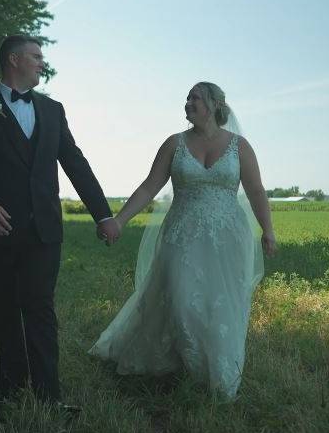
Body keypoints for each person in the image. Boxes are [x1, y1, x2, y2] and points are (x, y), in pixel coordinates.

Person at [0, 35, 120, 407]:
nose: (42, 63)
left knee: (41, 307)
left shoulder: (53, 109)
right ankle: (9, 390)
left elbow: (74, 162)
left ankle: (49, 396)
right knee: (6, 307)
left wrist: (103, 214)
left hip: (44, 229)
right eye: (36, 56)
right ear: (14, 59)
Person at [89, 82, 275, 400]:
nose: (188, 103)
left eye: (196, 98)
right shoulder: (174, 144)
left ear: (215, 105)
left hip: (227, 238)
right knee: (180, 298)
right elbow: (149, 187)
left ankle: (217, 373)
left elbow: (256, 190)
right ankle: (181, 363)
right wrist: (120, 220)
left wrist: (268, 231)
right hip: (182, 236)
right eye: (187, 98)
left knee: (221, 304)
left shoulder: (239, 146)